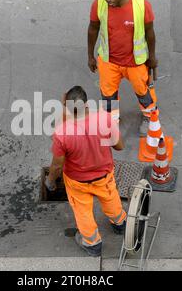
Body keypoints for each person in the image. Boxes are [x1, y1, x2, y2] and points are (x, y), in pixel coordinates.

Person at [47, 86, 127, 257]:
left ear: (66, 108)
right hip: (104, 176)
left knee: (82, 210)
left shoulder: (62, 133)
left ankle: (92, 243)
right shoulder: (103, 119)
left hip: (78, 182)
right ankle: (120, 223)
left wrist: (51, 181)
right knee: (110, 197)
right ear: (87, 105)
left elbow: (56, 166)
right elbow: (119, 146)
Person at [88, 0, 158, 135]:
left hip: (135, 62)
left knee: (143, 92)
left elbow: (150, 32)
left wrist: (152, 57)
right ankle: (111, 121)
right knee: (108, 95)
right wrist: (90, 56)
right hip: (108, 61)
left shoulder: (141, 4)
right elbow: (93, 29)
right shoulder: (99, 3)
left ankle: (149, 117)